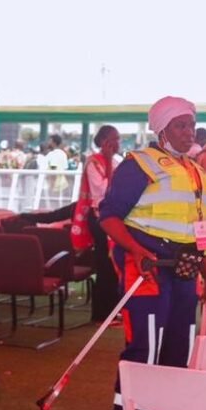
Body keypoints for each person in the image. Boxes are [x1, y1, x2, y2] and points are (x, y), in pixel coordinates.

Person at [97, 96, 206, 410]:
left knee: (178, 352)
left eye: (191, 125)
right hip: (147, 269)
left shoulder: (197, 172)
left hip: (186, 271)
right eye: (180, 125)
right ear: (161, 130)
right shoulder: (139, 164)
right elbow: (109, 216)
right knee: (144, 350)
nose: (189, 132)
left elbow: (200, 228)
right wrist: (135, 250)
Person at [75, 125, 122, 322]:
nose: (118, 143)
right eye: (114, 139)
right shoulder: (93, 162)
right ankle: (102, 313)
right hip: (99, 217)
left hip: (115, 217)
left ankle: (113, 309)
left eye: (118, 139)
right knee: (104, 264)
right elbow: (102, 191)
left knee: (114, 264)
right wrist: (109, 162)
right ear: (104, 141)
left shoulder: (118, 162)